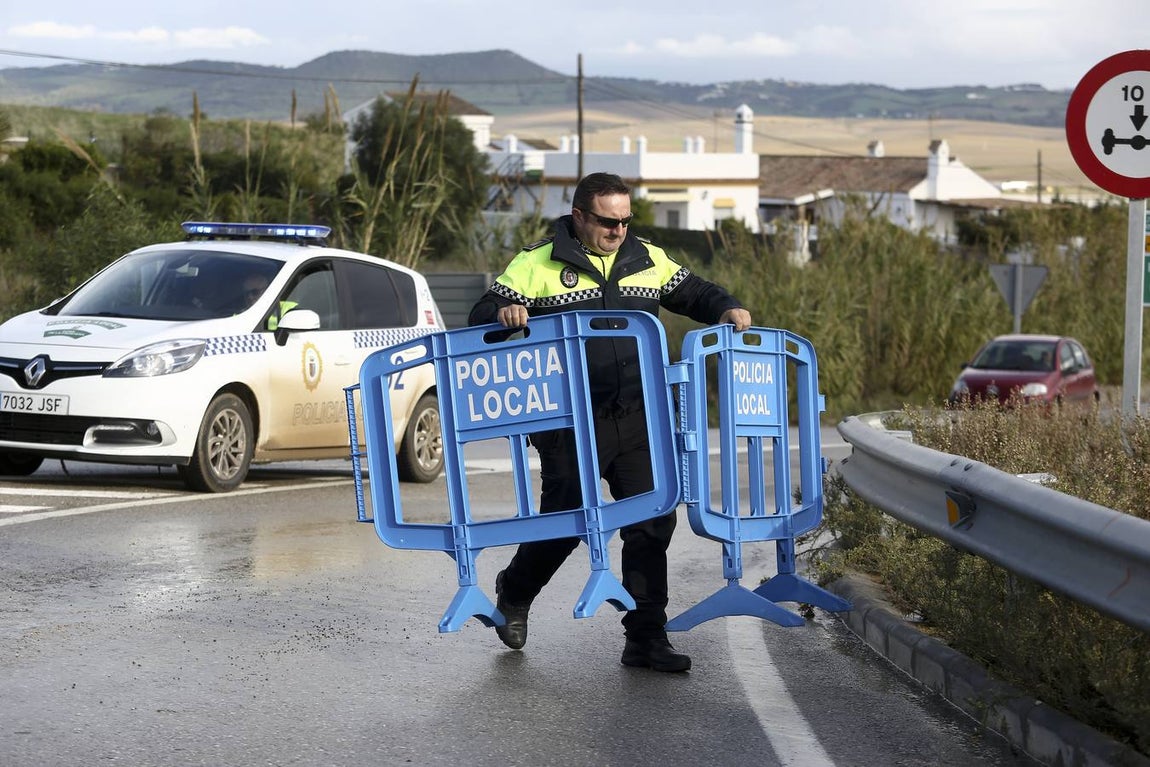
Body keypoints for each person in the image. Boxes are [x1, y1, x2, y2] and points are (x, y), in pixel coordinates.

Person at [468, 172, 752, 672]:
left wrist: (726, 307)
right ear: (579, 216)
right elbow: (483, 310)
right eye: (607, 221)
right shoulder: (537, 262)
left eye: (625, 220)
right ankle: (514, 591)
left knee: (651, 523)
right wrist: (504, 311)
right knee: (565, 523)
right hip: (569, 423)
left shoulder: (647, 257)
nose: (618, 230)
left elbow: (694, 292)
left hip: (639, 417)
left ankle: (645, 639)